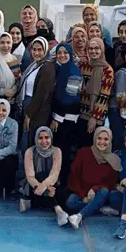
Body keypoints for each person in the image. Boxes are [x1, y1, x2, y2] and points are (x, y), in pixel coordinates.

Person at [63, 126, 120, 228]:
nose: (102, 142)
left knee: (104, 191)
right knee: (70, 202)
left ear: (110, 141)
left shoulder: (114, 159)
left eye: (106, 139)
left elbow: (110, 184)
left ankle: (79, 216)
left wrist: (95, 189)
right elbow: (74, 177)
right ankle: (99, 208)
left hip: (99, 194)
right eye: (99, 138)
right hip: (82, 193)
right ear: (94, 139)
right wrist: (83, 196)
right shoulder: (84, 152)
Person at [19, 126, 69, 226]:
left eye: (47, 137)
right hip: (34, 185)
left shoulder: (57, 151)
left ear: (51, 138)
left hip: (51, 184)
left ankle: (29, 203)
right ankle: (58, 211)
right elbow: (30, 177)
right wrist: (43, 188)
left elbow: (55, 174)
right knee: (41, 178)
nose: (44, 141)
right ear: (36, 139)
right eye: (40, 138)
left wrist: (45, 186)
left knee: (62, 194)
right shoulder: (29, 151)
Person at [48, 43, 85, 178]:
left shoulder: (73, 71)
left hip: (66, 118)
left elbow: (70, 97)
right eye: (59, 52)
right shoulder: (60, 69)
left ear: (70, 54)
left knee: (63, 149)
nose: (62, 55)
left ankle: (63, 180)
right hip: (59, 115)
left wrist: (57, 118)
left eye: (65, 53)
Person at [18, 37, 54, 146]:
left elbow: (41, 94)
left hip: (36, 109)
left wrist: (29, 114)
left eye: (40, 50)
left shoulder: (47, 67)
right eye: (34, 49)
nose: (36, 53)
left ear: (45, 50)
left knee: (30, 140)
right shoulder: (34, 64)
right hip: (28, 104)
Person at [79, 38, 115, 138]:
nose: (93, 51)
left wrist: (94, 117)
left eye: (97, 48)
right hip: (81, 113)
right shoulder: (83, 66)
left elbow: (104, 96)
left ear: (102, 49)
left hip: (97, 116)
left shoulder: (107, 70)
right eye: (90, 48)